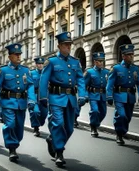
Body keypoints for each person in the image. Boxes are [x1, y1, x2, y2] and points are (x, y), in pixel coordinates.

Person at [39, 32, 86, 167]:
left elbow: (80, 80)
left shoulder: (75, 62)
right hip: (55, 98)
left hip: (71, 98)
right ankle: (59, 152)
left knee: (69, 128)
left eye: (69, 45)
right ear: (59, 46)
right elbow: (43, 80)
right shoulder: (52, 61)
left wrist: (81, 95)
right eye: (65, 45)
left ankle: (52, 139)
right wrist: (43, 97)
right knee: (58, 124)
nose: (68, 47)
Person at [0, 43, 36, 162]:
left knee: (19, 128)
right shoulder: (3, 71)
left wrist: (32, 99)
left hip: (21, 103)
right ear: (10, 57)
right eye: (16, 55)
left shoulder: (26, 70)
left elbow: (30, 85)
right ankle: (12, 148)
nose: (18, 57)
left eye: (19, 54)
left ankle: (15, 143)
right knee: (10, 124)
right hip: (7, 102)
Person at [106, 44, 139, 145]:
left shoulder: (135, 69)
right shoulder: (116, 68)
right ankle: (119, 133)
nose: (132, 56)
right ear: (123, 56)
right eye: (129, 55)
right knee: (122, 115)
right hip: (119, 96)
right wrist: (109, 96)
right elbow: (109, 85)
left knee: (128, 116)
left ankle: (122, 131)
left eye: (132, 54)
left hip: (131, 97)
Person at [84, 52, 109, 137]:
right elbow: (84, 85)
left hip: (103, 95)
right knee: (95, 110)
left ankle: (95, 124)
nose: (101, 63)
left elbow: (109, 85)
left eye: (102, 61)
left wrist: (110, 96)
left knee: (103, 112)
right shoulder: (90, 72)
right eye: (99, 61)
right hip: (93, 95)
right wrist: (86, 95)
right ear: (95, 62)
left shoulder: (107, 72)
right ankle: (93, 127)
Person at [29, 57, 48, 136]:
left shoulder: (47, 73)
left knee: (44, 113)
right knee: (35, 111)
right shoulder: (32, 73)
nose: (40, 65)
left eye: (41, 64)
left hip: (44, 96)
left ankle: (39, 122)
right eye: (38, 64)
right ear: (36, 65)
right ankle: (36, 128)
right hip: (34, 94)